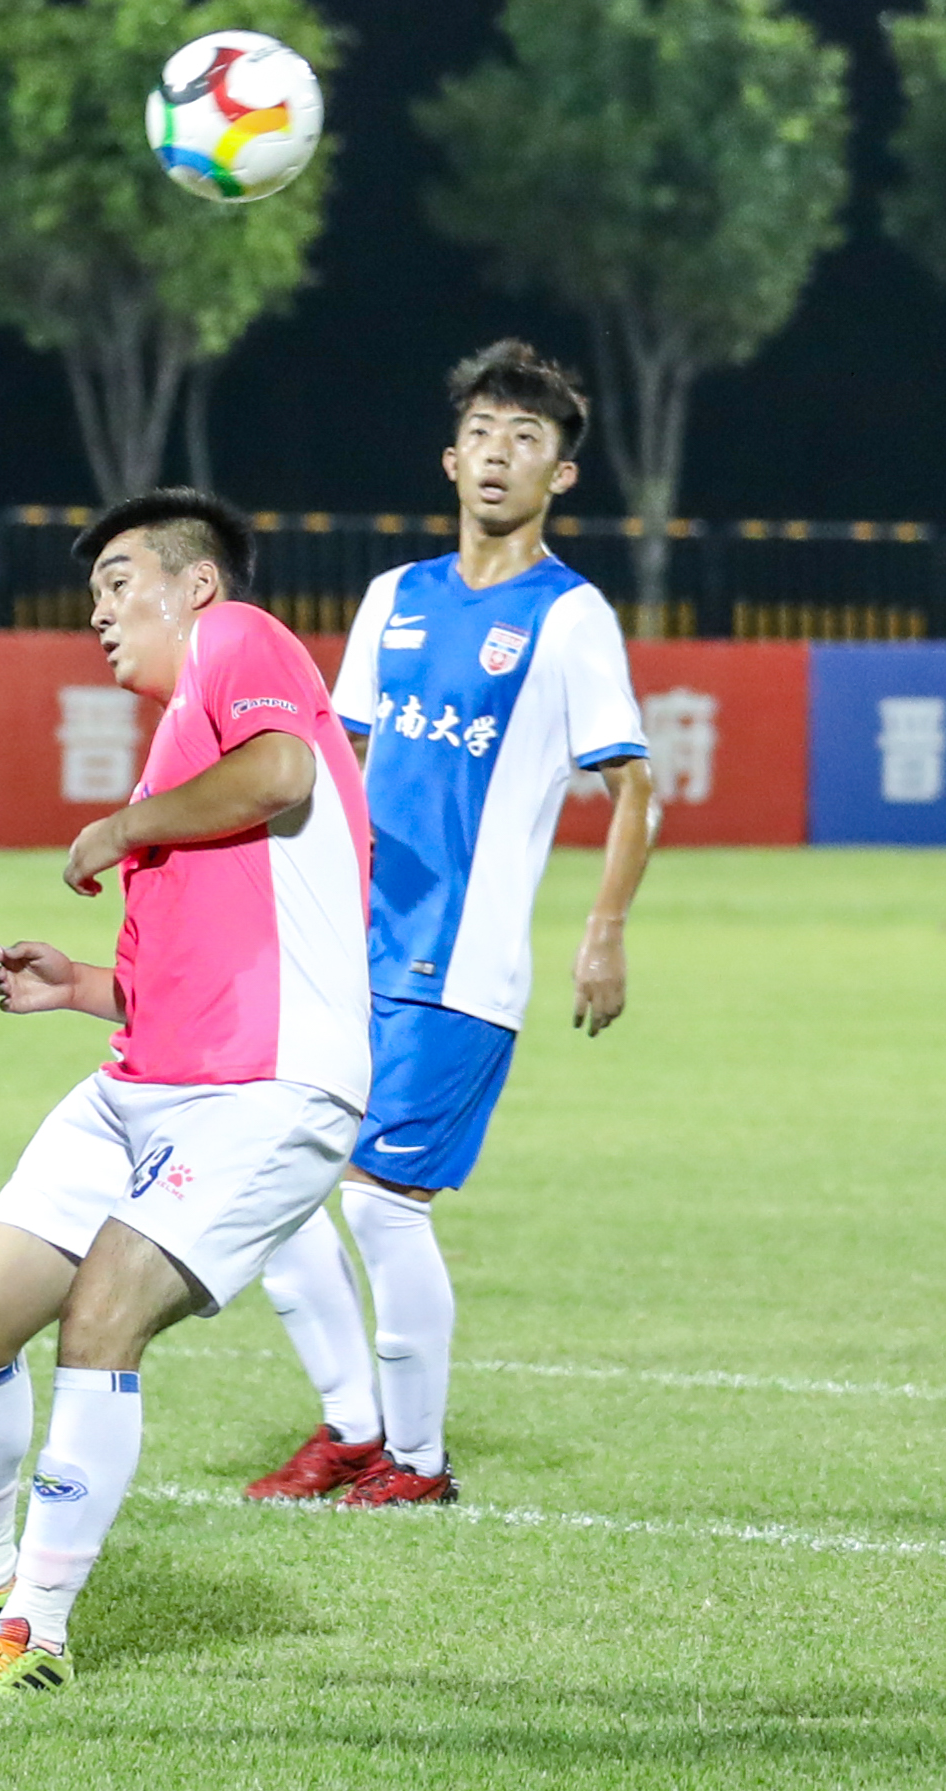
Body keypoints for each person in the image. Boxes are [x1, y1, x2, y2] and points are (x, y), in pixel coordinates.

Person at [0, 491, 370, 1697]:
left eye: (116, 583)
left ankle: (35, 1633)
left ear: (193, 586)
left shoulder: (239, 637)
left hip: (266, 1089)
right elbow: (204, 964)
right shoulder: (178, 737)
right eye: (91, 592)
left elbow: (280, 772)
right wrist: (81, 986)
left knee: (101, 1315)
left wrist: (118, 828)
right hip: (148, 1078)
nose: (96, 612)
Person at [245, 342, 655, 1508]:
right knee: (270, 1188)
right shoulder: (394, 597)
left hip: (458, 962)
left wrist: (604, 930)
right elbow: (340, 758)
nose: (497, 455)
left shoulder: (569, 618)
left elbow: (631, 784)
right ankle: (350, 1428)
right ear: (449, 458)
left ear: (559, 475)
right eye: (481, 433)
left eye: (525, 439)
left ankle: (418, 1463)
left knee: (380, 1204)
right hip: (347, 945)